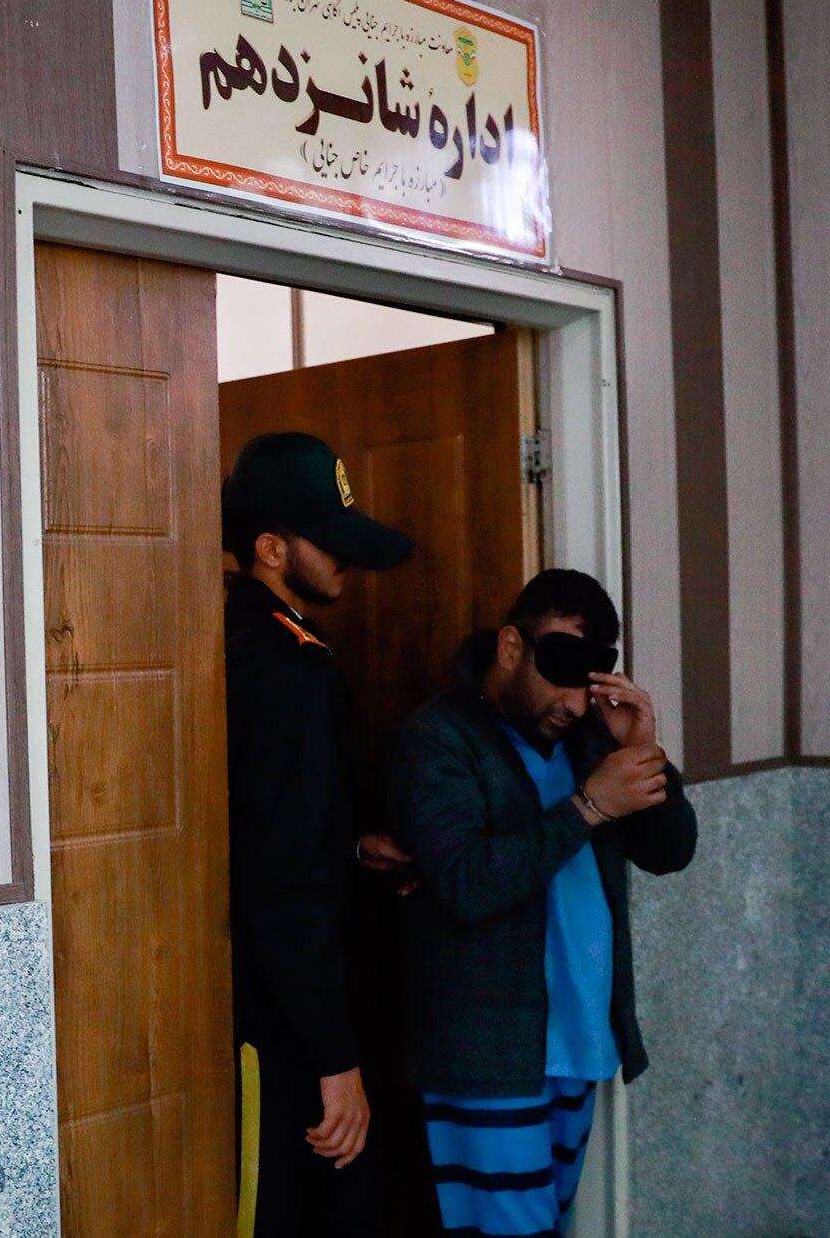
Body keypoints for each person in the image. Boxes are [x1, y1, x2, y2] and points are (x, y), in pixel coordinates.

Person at [385, 569, 697, 1237]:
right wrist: (590, 805)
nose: (575, 703)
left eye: (589, 679)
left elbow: (670, 851)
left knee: (549, 1225)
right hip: (487, 1052)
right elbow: (466, 882)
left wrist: (642, 749)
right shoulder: (438, 740)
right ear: (510, 648)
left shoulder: (591, 740)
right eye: (559, 672)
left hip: (578, 1039)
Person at [222, 431, 416, 1236]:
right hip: (285, 1017)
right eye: (327, 540)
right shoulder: (289, 665)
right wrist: (337, 1055)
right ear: (271, 548)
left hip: (262, 995)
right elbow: (283, 881)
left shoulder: (235, 634)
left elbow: (264, 824)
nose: (347, 561)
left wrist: (350, 845)